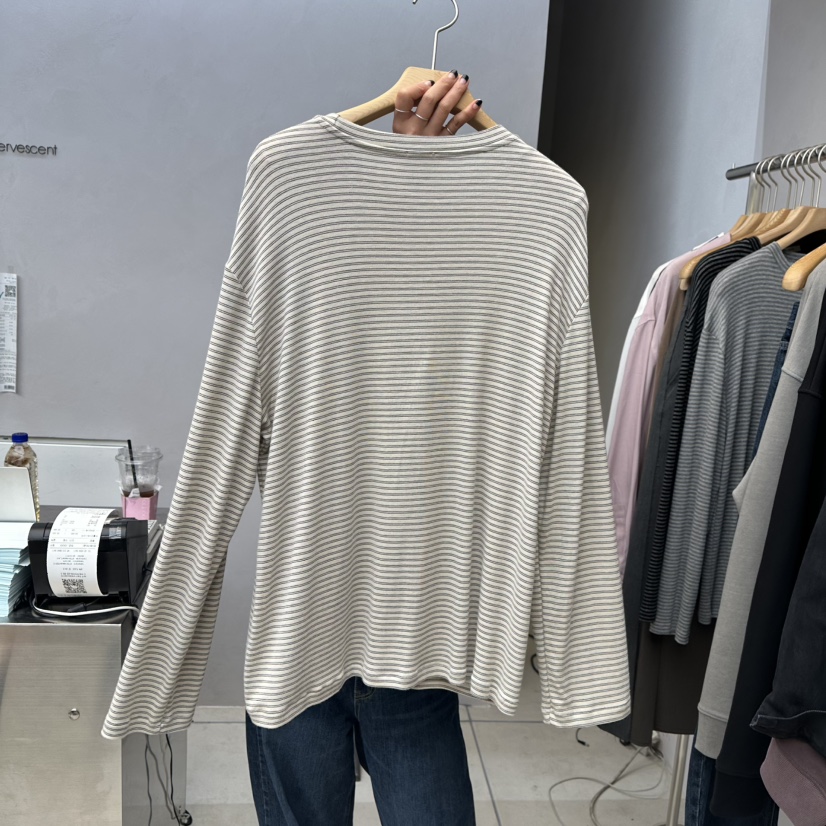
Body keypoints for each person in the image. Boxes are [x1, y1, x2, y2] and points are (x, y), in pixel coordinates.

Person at [245, 71, 485, 826]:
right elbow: (238, 390)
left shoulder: (516, 217)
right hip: (336, 608)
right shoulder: (287, 182)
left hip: (388, 613)